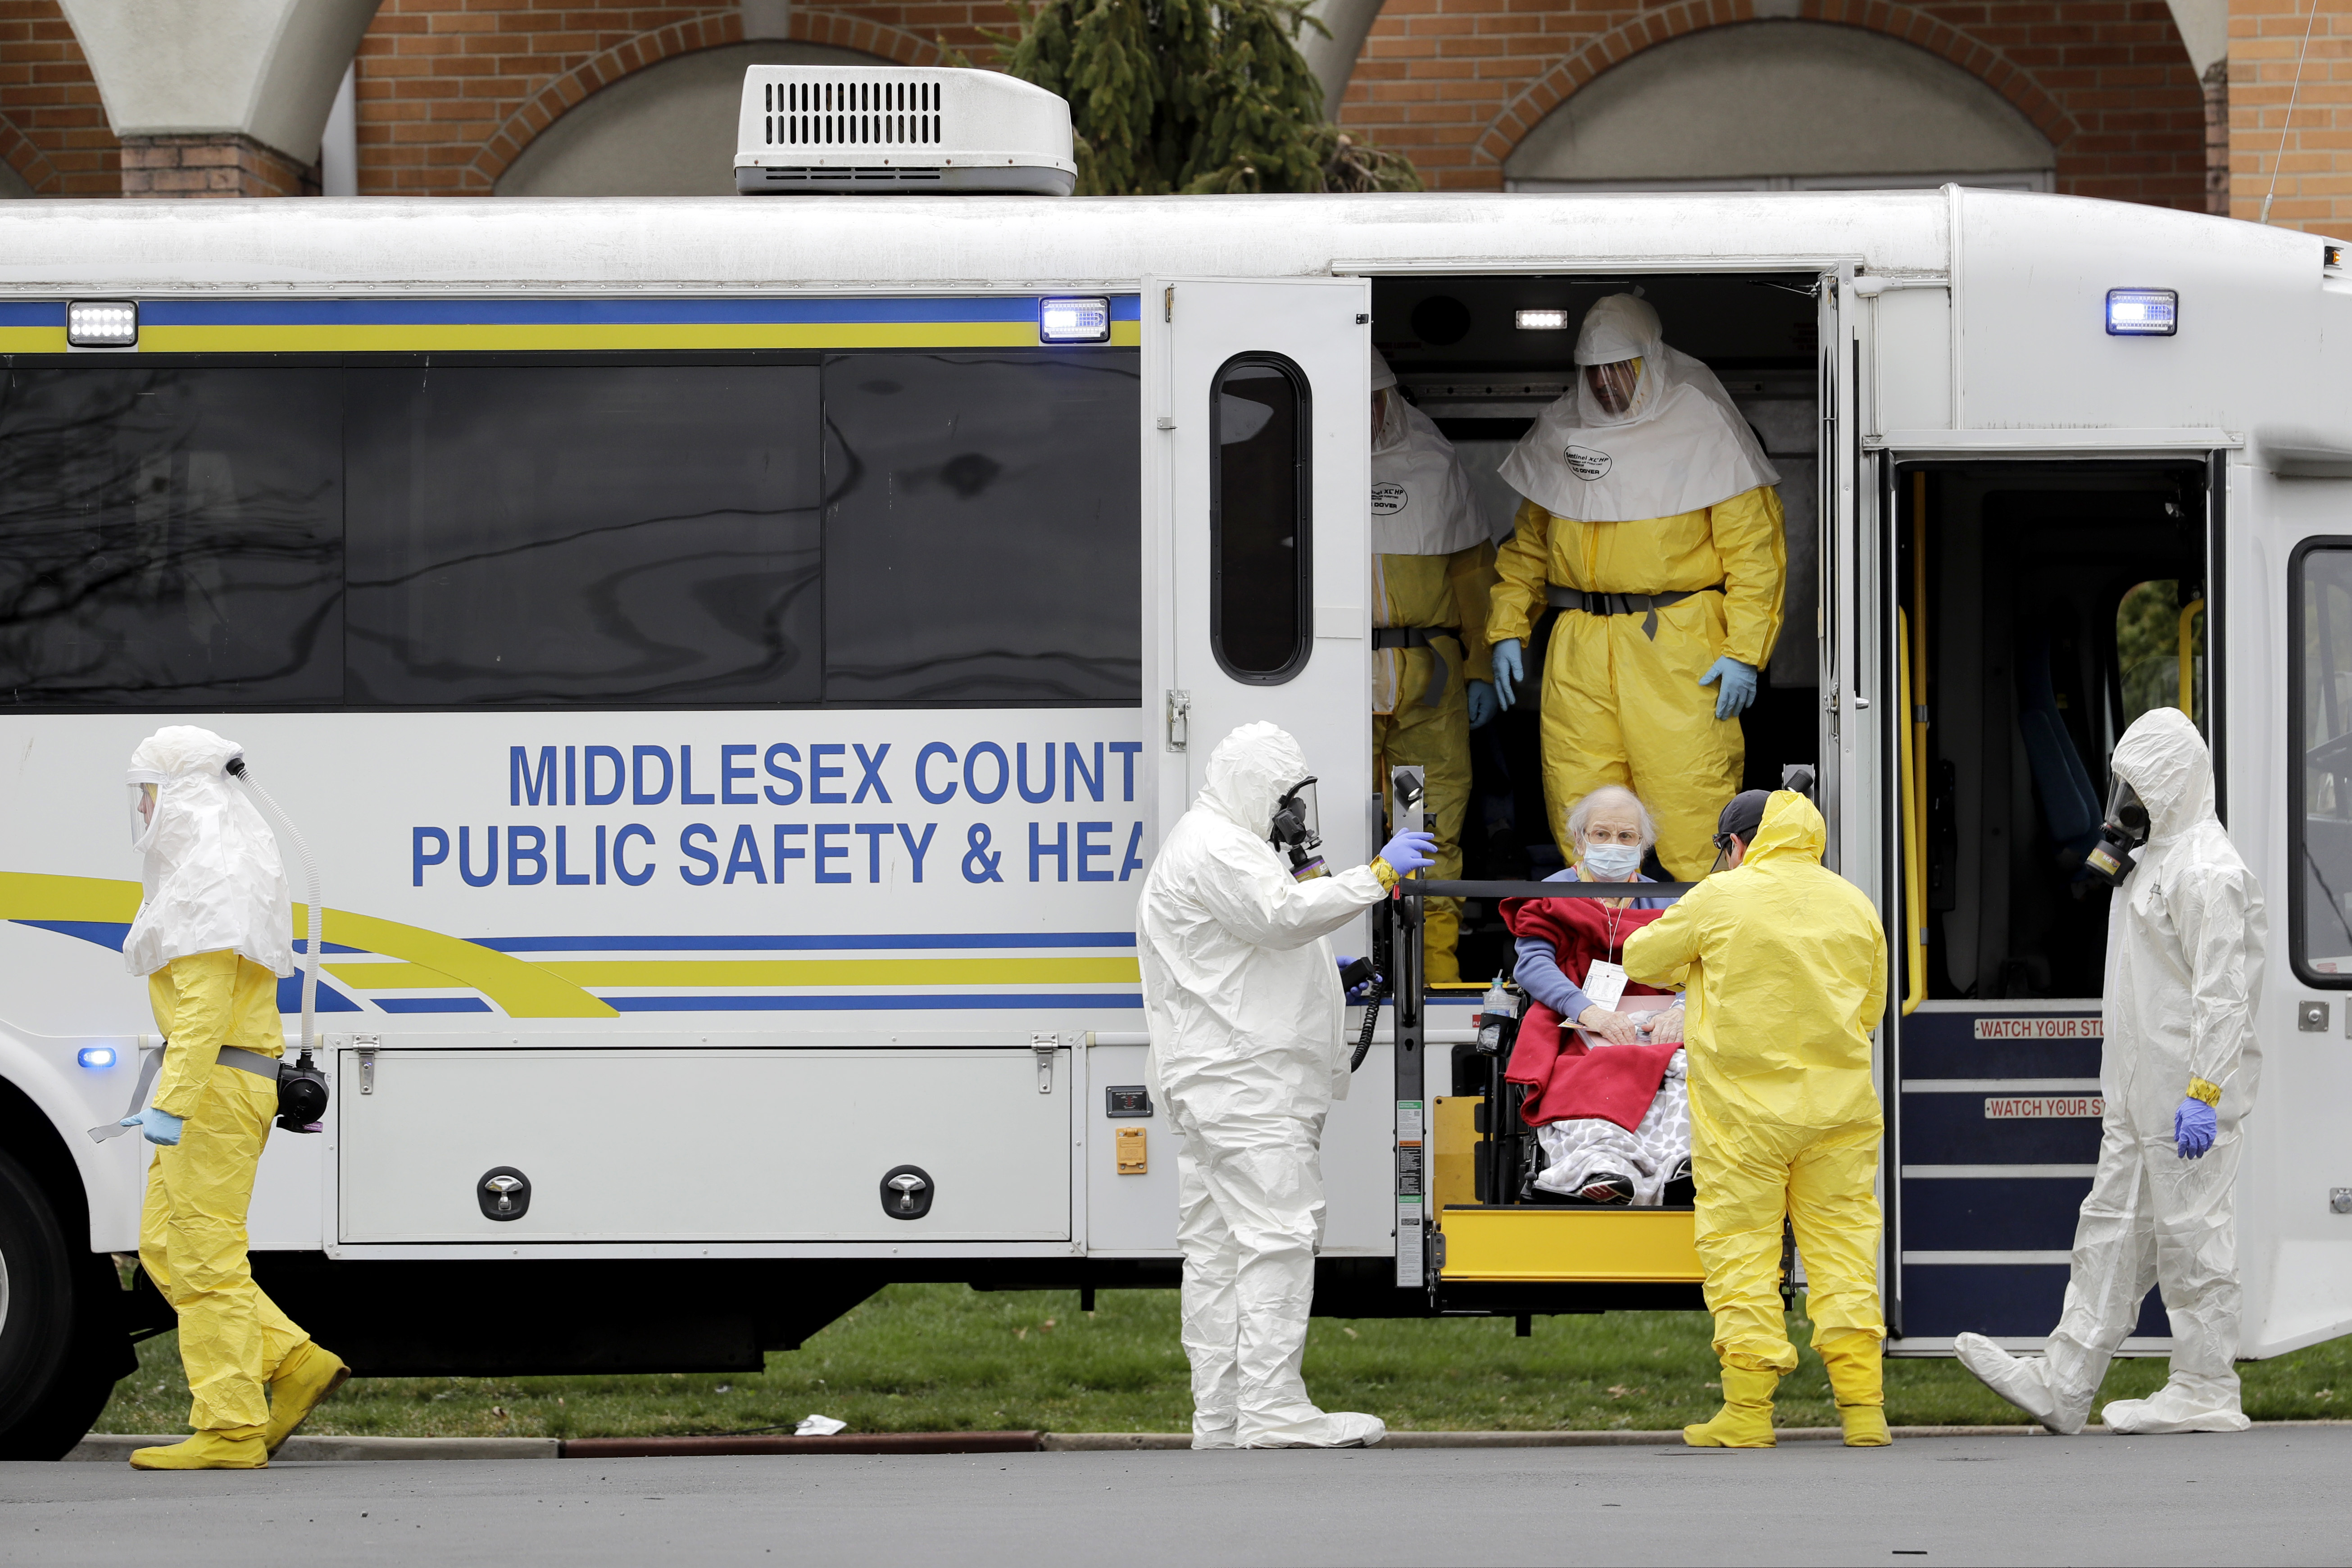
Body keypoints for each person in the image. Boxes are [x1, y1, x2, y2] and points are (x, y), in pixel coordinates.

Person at [1957, 708, 2266, 1436]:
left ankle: (2205, 1385)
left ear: (2171, 781)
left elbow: (2223, 996)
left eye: (2138, 782)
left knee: (2192, 1237)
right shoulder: (2152, 858)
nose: (2126, 795)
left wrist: (2204, 1090)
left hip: (2187, 1093)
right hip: (2137, 1091)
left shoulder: (2209, 872)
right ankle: (2063, 1382)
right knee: (2110, 1232)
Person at [1137, 721, 1437, 1449]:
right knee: (1277, 1235)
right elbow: (1280, 916)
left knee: (1216, 1252)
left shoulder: (1211, 842)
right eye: (1285, 800)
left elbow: (1238, 952)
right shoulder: (1219, 845)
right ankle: (1272, 1409)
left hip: (1217, 1081)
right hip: (1244, 1084)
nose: (1291, 819)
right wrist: (1379, 874)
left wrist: (1327, 977)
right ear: (1255, 786)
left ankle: (1222, 1415)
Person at [1622, 787, 1891, 1449]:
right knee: (1845, 1255)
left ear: (1735, 845)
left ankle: (1747, 1412)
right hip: (1839, 1113)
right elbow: (1871, 1009)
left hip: (1744, 1119)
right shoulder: (1854, 903)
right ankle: (1863, 1412)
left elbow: (1640, 960)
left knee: (1742, 1254)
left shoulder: (1720, 896)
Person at [1485, 294, 1787, 880]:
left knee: (1689, 795)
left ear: (1652, 361)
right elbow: (1525, 548)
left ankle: (1698, 957)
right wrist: (1505, 629)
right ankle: (1596, 954)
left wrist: (1744, 653)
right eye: (1594, 371)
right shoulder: (1563, 433)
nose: (1605, 383)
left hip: (1676, 644)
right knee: (1585, 806)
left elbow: (1755, 555)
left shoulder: (1704, 432)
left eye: (1620, 368)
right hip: (1578, 644)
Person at [115, 726, 346, 1470]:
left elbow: (205, 1008)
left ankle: (230, 1427)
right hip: (220, 1080)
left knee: (204, 1255)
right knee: (162, 1244)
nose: (144, 807)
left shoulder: (212, 871)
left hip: (214, 1087)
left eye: (151, 791)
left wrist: (172, 1102)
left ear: (183, 794)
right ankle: (289, 1359)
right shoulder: (213, 864)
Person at [1367, 348, 1501, 982]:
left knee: (1425, 833)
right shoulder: (1288, 459)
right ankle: (1352, 975)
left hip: (1428, 689)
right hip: (1329, 686)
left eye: (1373, 400)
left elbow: (1472, 576)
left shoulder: (1431, 463)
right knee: (1337, 838)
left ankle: (1433, 980)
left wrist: (1478, 667)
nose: (1363, 415)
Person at [1499, 786, 1692, 1205]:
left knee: (1687, 1069)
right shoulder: (1554, 892)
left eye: (1626, 837)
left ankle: (1681, 1164)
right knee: (1583, 1072)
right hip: (1576, 1022)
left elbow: (1695, 968)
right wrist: (1590, 1013)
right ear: (1579, 841)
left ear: (1643, 849)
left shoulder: (1666, 900)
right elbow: (1533, 964)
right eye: (1601, 834)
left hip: (1654, 1023)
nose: (1613, 845)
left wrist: (1680, 1009)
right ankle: (1602, 1167)